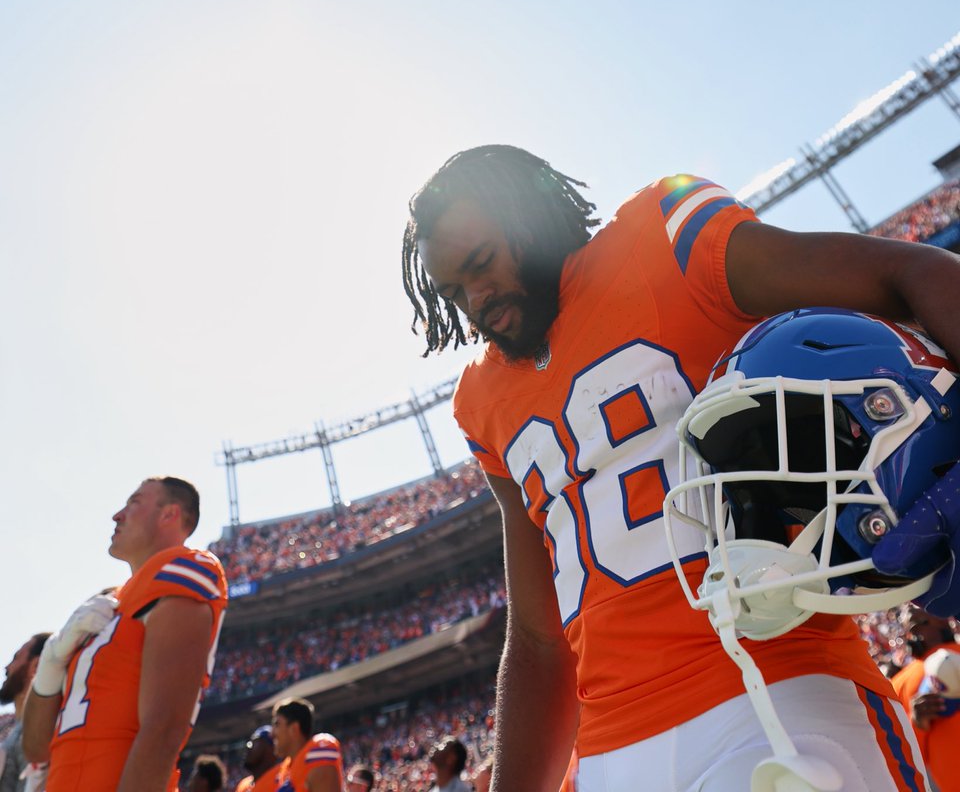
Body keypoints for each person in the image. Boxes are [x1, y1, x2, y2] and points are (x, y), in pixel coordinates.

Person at [402, 145, 960, 792]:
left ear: (530, 217)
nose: (475, 299)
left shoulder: (662, 239)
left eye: (482, 263)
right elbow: (539, 636)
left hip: (776, 699)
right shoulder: (482, 402)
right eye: (452, 289)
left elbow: (905, 270)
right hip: (613, 756)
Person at [22, 475, 228, 792]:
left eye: (133, 502)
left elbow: (163, 727)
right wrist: (51, 660)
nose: (117, 515)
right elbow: (35, 748)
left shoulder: (184, 566)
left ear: (169, 514)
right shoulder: (106, 607)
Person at [891, 607, 960, 792]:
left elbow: (905, 762)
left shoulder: (898, 684)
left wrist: (916, 725)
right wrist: (917, 722)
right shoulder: (900, 684)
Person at [1, 633, 51, 792]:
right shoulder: (6, 726)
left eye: (16, 658)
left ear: (36, 667)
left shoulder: (41, 732)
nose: (7, 667)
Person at [271, 698, 342, 792]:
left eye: (277, 724)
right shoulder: (287, 767)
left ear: (294, 728)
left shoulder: (317, 752)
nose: (272, 733)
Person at [236, 725, 281, 792]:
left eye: (255, 742)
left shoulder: (281, 781)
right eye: (250, 742)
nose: (249, 747)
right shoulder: (243, 786)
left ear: (270, 749)